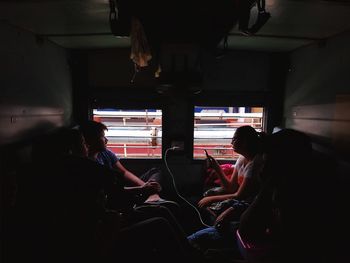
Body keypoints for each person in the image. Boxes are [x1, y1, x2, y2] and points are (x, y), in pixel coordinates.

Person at [198, 125, 265, 225]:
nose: (231, 142)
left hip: (247, 203)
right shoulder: (242, 159)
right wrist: (217, 168)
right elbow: (231, 187)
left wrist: (210, 199)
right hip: (239, 199)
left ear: (244, 142)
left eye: (234, 139)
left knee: (206, 200)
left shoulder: (255, 164)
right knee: (204, 196)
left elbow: (239, 195)